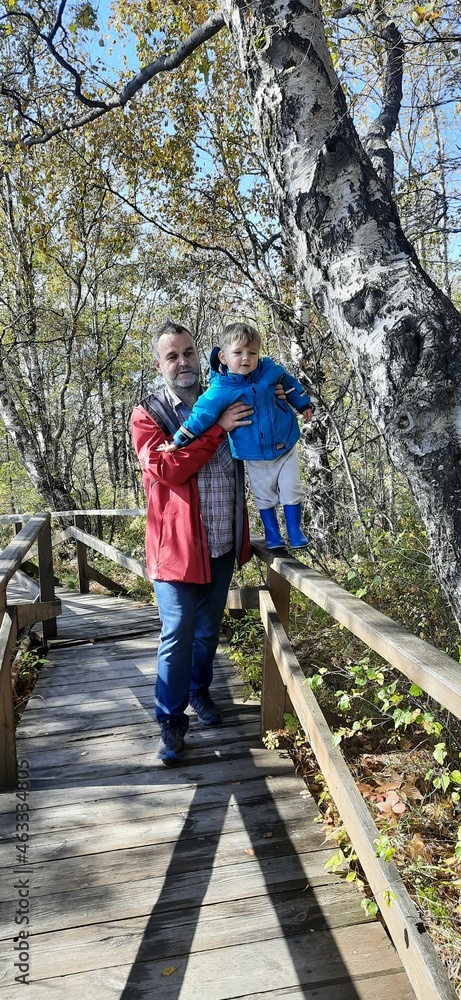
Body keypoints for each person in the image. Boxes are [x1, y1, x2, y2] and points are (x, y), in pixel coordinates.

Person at [130, 320, 254, 765]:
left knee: (207, 631)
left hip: (222, 539)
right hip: (176, 548)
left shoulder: (228, 394)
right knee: (177, 631)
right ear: (159, 364)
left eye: (187, 352)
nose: (182, 361)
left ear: (201, 353)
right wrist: (217, 429)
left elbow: (265, 436)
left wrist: (280, 400)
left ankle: (200, 693)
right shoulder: (149, 413)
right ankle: (170, 721)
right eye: (172, 355)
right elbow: (167, 469)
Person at [158, 322, 314, 549]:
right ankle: (273, 535)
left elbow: (288, 383)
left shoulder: (269, 371)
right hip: (253, 452)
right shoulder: (220, 389)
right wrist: (178, 441)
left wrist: (302, 403)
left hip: (284, 443)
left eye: (252, 353)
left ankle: (294, 530)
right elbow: (200, 415)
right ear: (223, 357)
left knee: (292, 488)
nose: (245, 358)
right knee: (263, 495)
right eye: (238, 353)